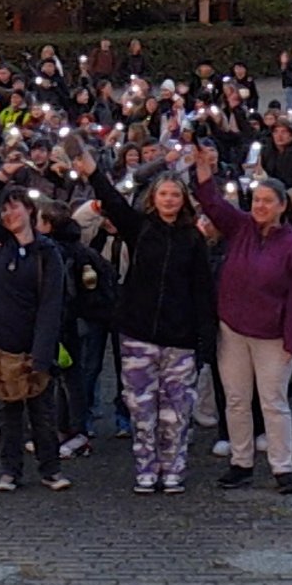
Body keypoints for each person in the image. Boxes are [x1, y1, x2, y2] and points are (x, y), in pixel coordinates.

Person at [76, 147, 214, 494]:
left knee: (176, 410)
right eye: (163, 194)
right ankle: (146, 468)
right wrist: (92, 171)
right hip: (138, 333)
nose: (169, 200)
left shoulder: (194, 238)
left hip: (180, 336)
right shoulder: (140, 228)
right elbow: (112, 201)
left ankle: (173, 469)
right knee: (141, 408)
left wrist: (204, 340)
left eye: (175, 195)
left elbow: (203, 290)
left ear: (184, 200)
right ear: (154, 198)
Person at [196, 147, 292, 495]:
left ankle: (282, 467)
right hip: (233, 328)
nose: (260, 206)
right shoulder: (241, 228)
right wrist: (204, 168)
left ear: (282, 205)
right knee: (236, 399)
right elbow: (213, 205)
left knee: (272, 401)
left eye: (268, 201)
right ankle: (241, 461)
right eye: (256, 199)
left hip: (273, 336)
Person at [0, 169, 71, 492]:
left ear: (29, 210)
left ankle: (50, 468)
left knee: (42, 413)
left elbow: (50, 306)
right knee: (8, 414)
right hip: (0, 344)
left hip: (33, 344)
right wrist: (0, 177)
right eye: (5, 209)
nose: (9, 213)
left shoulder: (48, 254)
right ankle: (10, 470)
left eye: (14, 206)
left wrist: (42, 355)